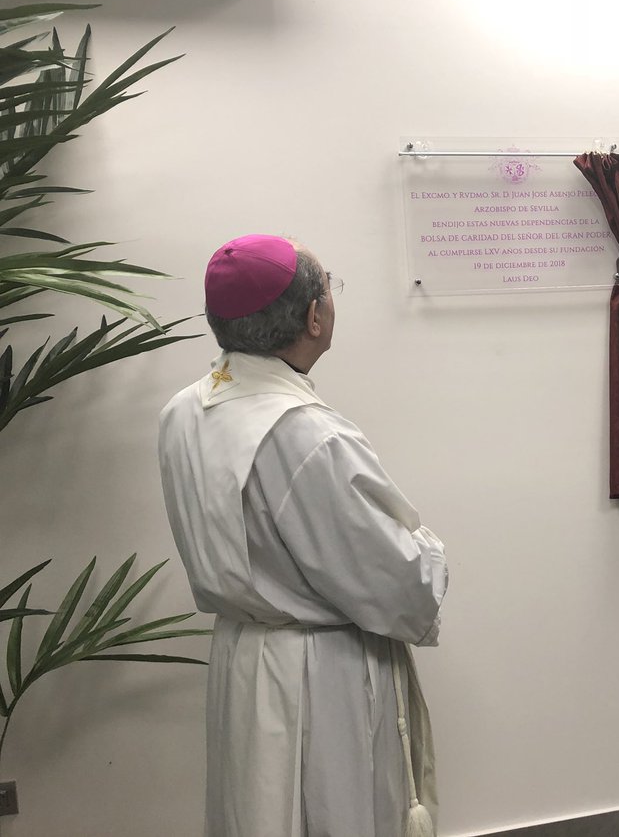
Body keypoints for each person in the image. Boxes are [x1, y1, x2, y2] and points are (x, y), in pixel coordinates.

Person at [158, 234, 448, 837]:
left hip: (244, 659)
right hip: (321, 676)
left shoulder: (183, 410)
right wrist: (430, 551)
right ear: (314, 316)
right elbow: (397, 584)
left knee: (256, 812)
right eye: (331, 290)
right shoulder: (307, 435)